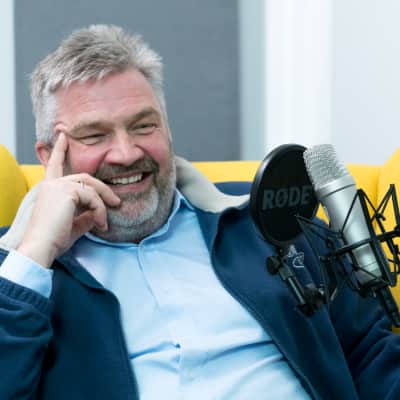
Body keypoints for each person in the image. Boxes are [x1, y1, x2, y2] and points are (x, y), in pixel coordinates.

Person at [0, 24, 398, 400]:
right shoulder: (16, 274)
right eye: (94, 135)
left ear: (167, 130)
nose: (126, 153)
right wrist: (34, 254)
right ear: (50, 157)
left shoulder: (266, 215)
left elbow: (371, 350)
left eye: (143, 126)